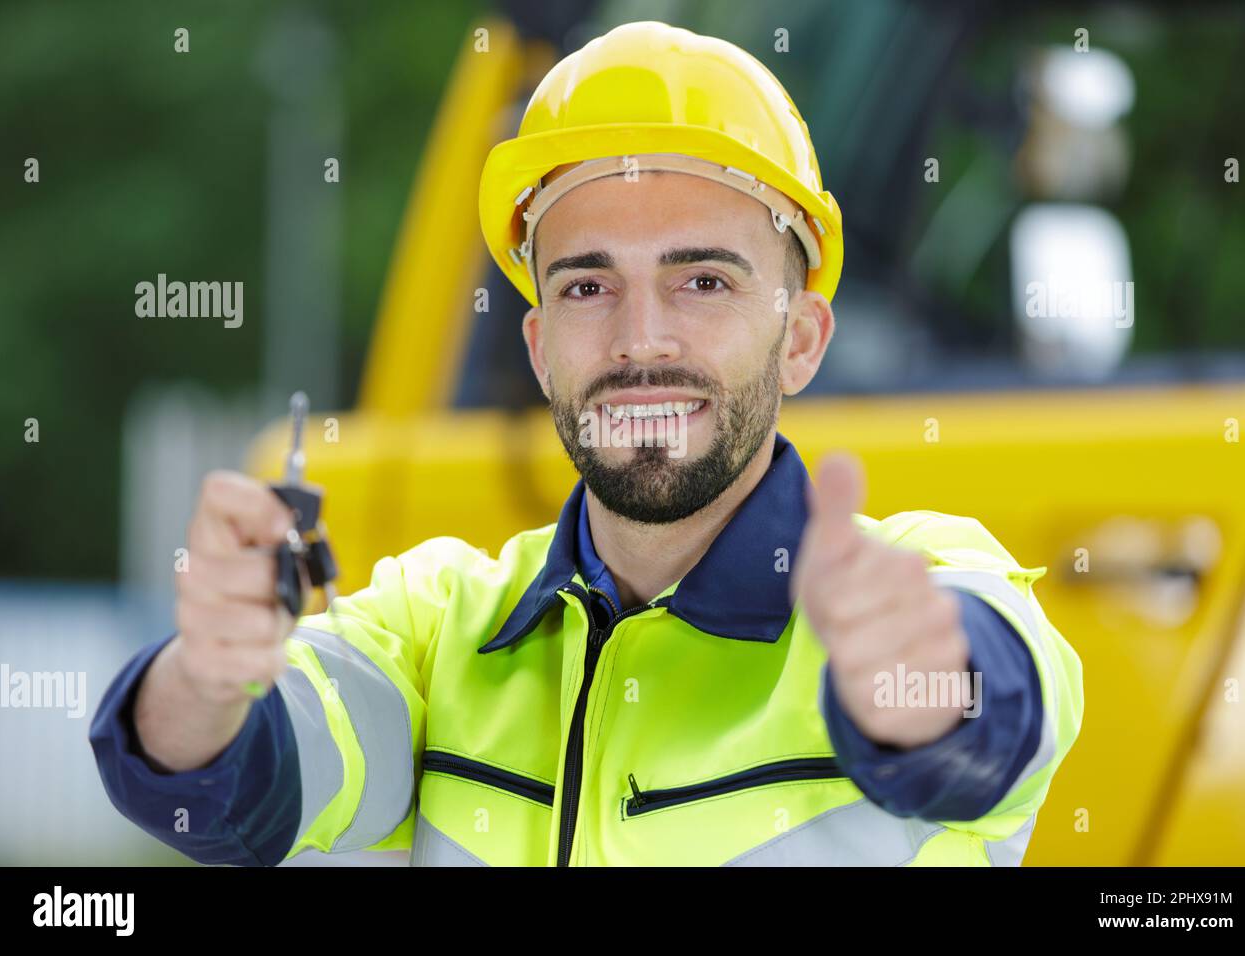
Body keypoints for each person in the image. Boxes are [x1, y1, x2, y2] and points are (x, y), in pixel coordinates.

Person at [91, 21, 1083, 866]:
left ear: (803, 340)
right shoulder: (440, 628)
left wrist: (905, 684)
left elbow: (988, 719)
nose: (639, 338)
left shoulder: (930, 581)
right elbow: (230, 789)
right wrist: (207, 679)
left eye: (703, 281)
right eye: (585, 284)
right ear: (538, 347)